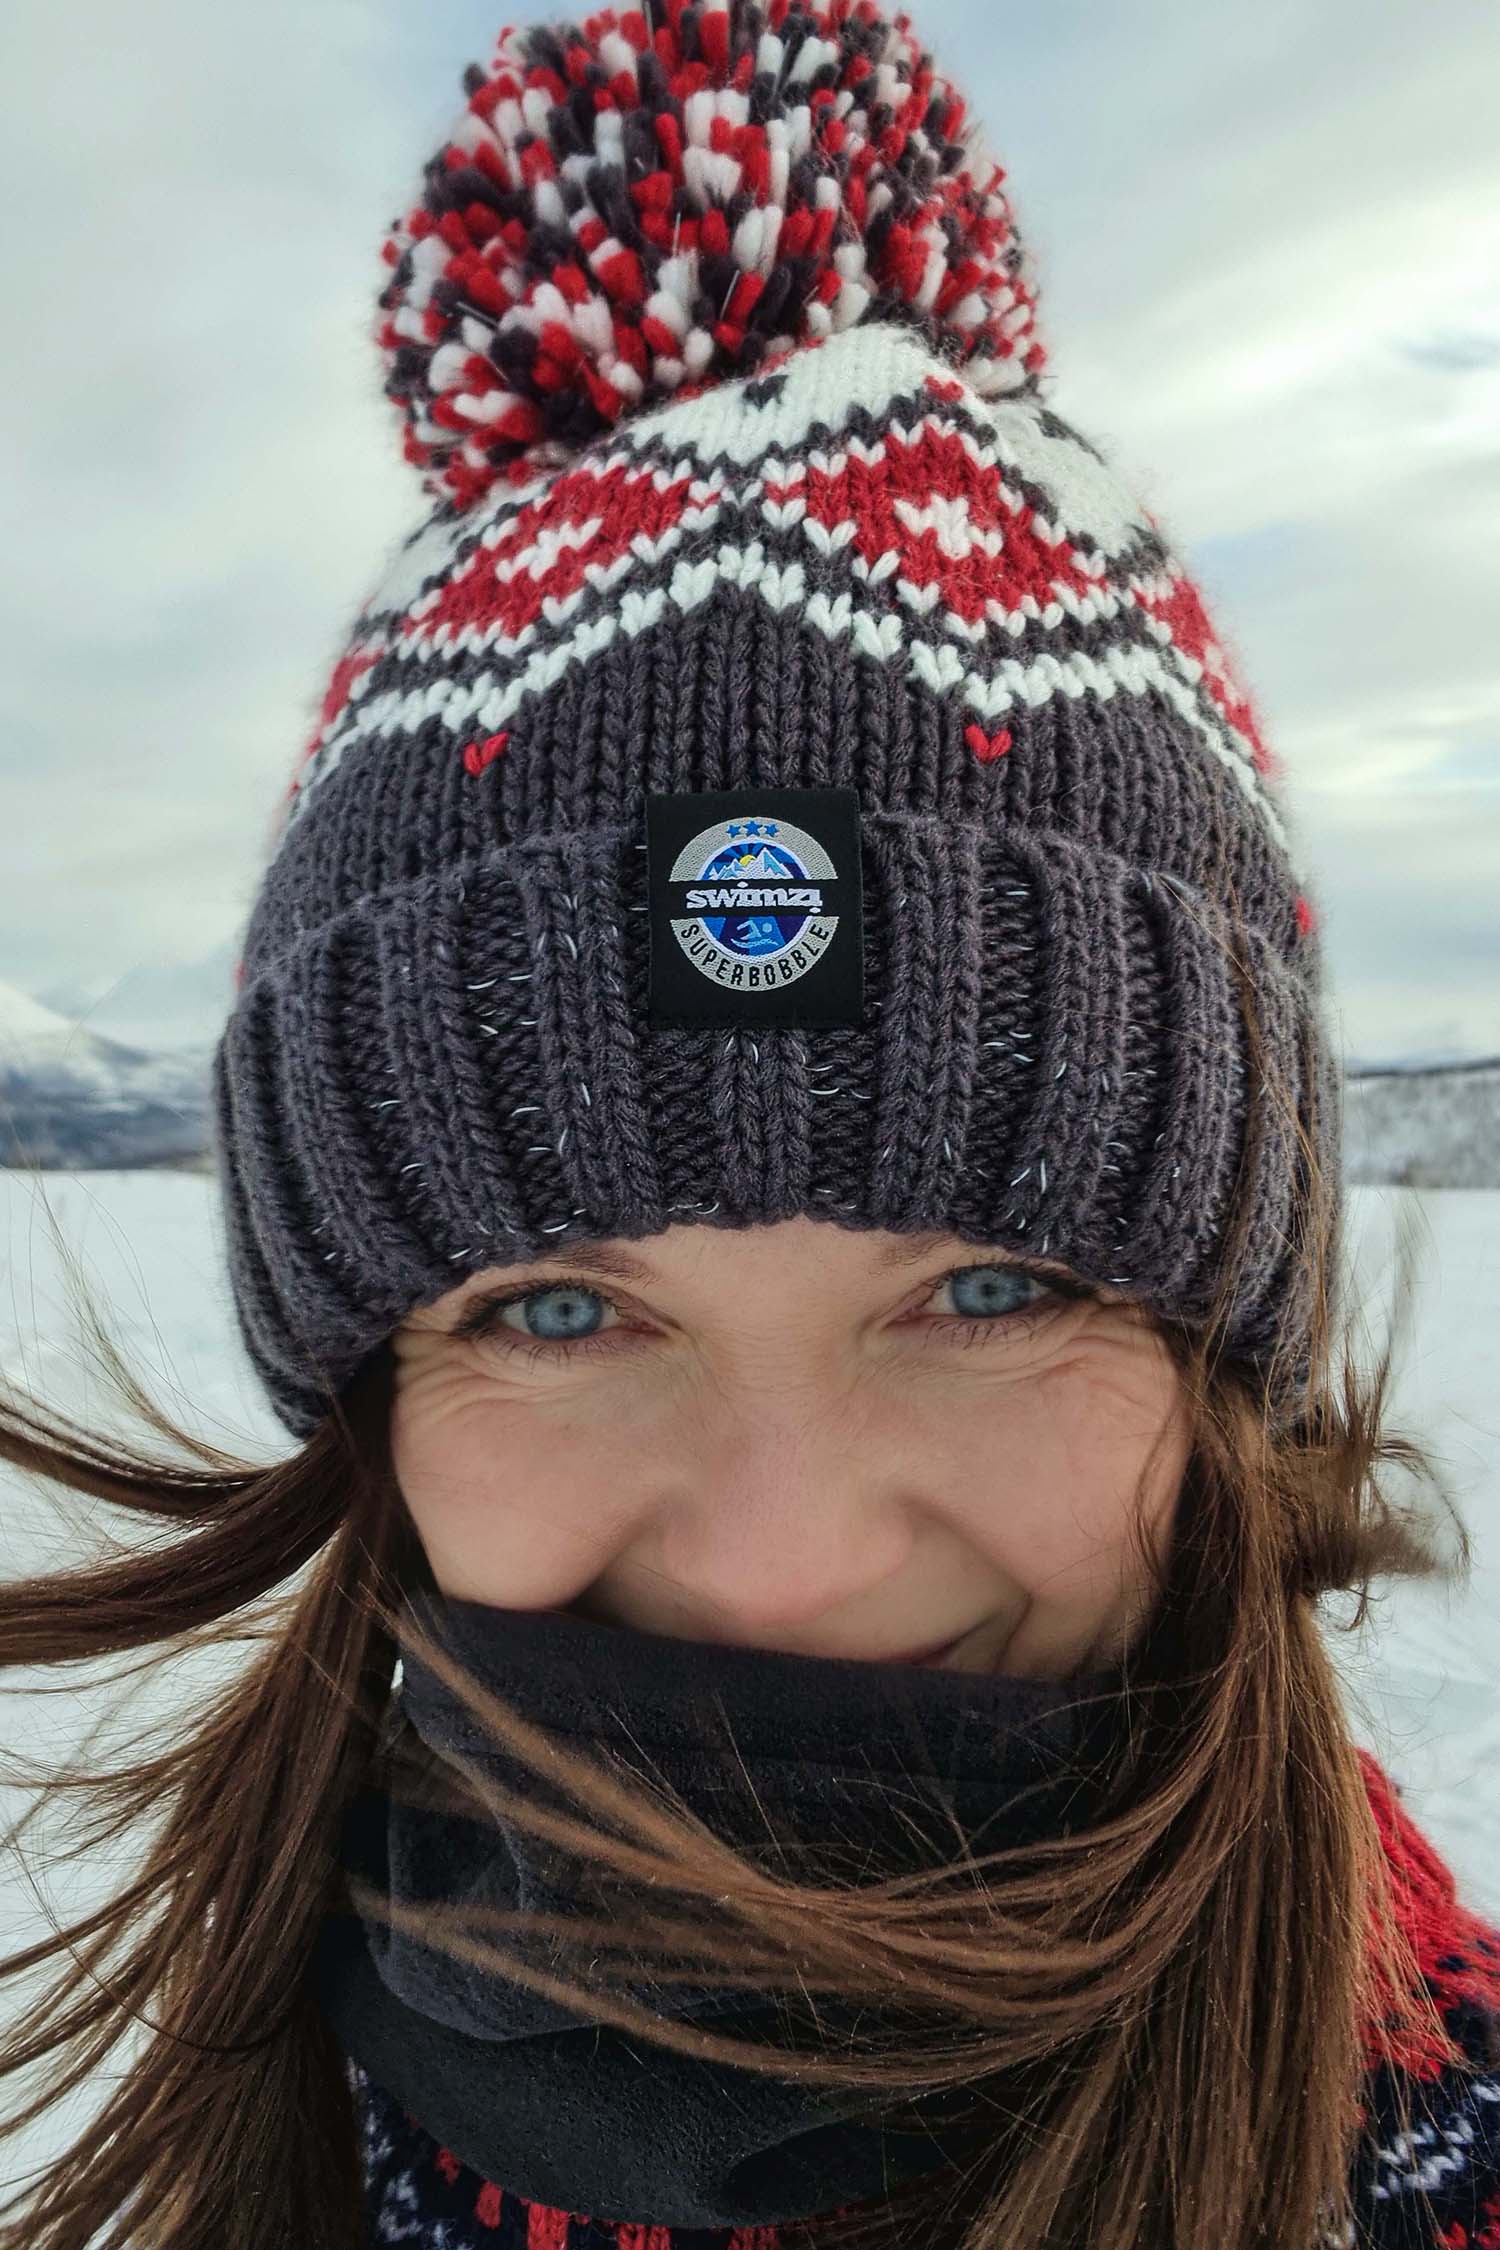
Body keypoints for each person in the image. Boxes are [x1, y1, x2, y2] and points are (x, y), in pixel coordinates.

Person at [2, 2, 1498, 2245]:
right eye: (560, 1308)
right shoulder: (259, 2127)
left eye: (990, 1286)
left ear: (1220, 1366)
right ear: (373, 1403)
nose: (788, 1568)